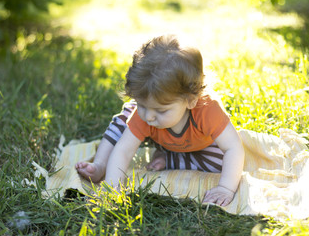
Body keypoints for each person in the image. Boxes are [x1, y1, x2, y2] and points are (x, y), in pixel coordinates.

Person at [75, 35, 245, 206]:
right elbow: (123, 150)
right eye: (141, 104)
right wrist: (112, 187)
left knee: (222, 164)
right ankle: (100, 165)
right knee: (123, 122)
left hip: (199, 144)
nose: (148, 116)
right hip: (158, 139)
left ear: (191, 100)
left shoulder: (207, 110)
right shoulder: (145, 115)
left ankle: (170, 160)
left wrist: (225, 188)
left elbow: (233, 148)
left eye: (161, 110)